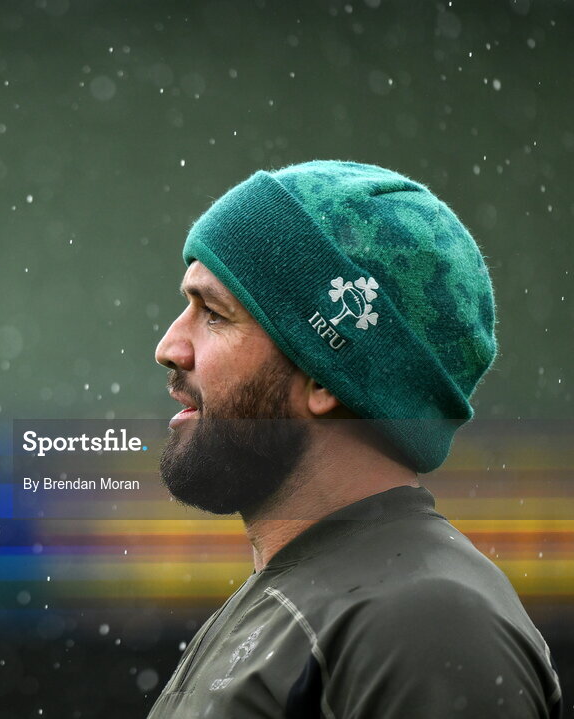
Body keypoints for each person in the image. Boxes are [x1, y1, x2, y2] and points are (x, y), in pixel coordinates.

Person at [148, 160, 563, 718]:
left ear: (324, 375)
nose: (170, 346)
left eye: (215, 315)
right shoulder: (306, 598)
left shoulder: (423, 623)